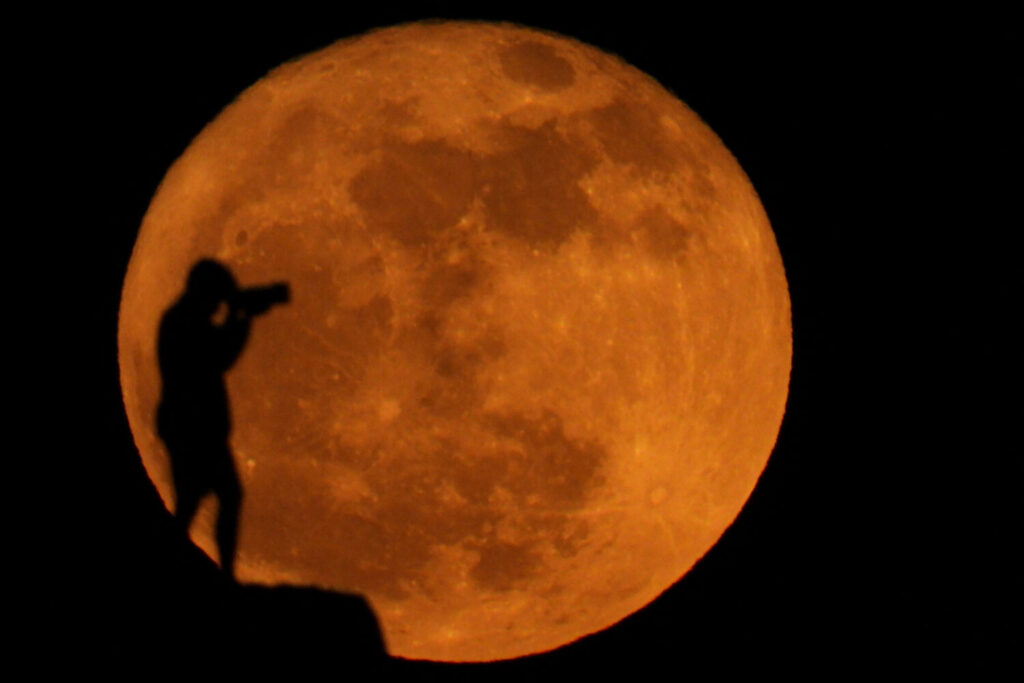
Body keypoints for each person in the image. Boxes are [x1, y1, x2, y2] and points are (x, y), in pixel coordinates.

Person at [156, 259, 288, 580]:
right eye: (218, 296)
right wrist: (240, 319)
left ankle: (223, 572)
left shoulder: (183, 320)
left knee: (203, 498)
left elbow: (218, 350)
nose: (219, 304)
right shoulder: (184, 323)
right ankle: (222, 572)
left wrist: (239, 317)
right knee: (203, 498)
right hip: (192, 428)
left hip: (193, 427)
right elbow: (220, 356)